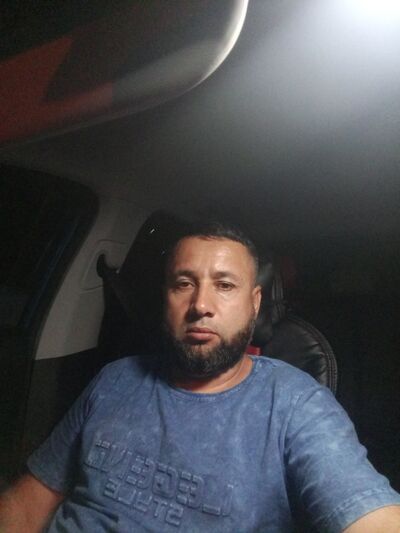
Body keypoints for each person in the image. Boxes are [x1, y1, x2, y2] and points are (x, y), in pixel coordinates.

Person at [0, 223, 400, 532]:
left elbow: (370, 515)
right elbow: (29, 502)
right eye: (184, 284)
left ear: (254, 304)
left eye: (224, 285)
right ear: (166, 297)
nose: (200, 305)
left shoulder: (296, 405)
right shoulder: (115, 379)